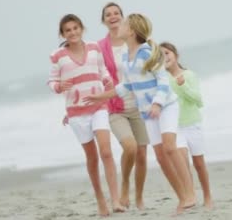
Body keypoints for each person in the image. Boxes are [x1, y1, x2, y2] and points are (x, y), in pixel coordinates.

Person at [84, 14, 196, 214]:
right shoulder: (127, 56)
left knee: (170, 148)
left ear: (132, 31)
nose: (120, 25)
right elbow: (126, 86)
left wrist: (157, 104)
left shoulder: (147, 52)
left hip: (166, 106)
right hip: (148, 113)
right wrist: (101, 97)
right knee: (161, 157)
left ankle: (190, 194)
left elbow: (162, 81)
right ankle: (182, 198)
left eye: (124, 24)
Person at [48, 14, 125, 216]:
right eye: (68, 30)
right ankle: (101, 199)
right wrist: (58, 86)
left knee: (106, 152)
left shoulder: (94, 48)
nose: (72, 32)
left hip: (98, 106)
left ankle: (115, 200)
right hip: (76, 114)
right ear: (62, 34)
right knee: (92, 158)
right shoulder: (58, 56)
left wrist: (108, 83)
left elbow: (103, 71)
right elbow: (51, 81)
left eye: (75, 28)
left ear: (81, 28)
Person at [98, 2, 149, 210]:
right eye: (108, 14)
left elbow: (151, 65)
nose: (112, 17)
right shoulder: (100, 47)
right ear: (103, 20)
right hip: (115, 106)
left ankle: (138, 197)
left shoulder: (133, 40)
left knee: (143, 154)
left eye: (116, 13)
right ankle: (125, 184)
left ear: (122, 17)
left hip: (139, 105)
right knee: (130, 147)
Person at [160, 42, 214, 210]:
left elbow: (198, 100)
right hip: (176, 128)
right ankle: (190, 197)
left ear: (175, 54)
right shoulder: (163, 80)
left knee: (199, 164)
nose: (165, 57)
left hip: (193, 125)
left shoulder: (189, 75)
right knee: (182, 162)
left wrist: (182, 85)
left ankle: (207, 196)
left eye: (167, 53)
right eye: (161, 56)